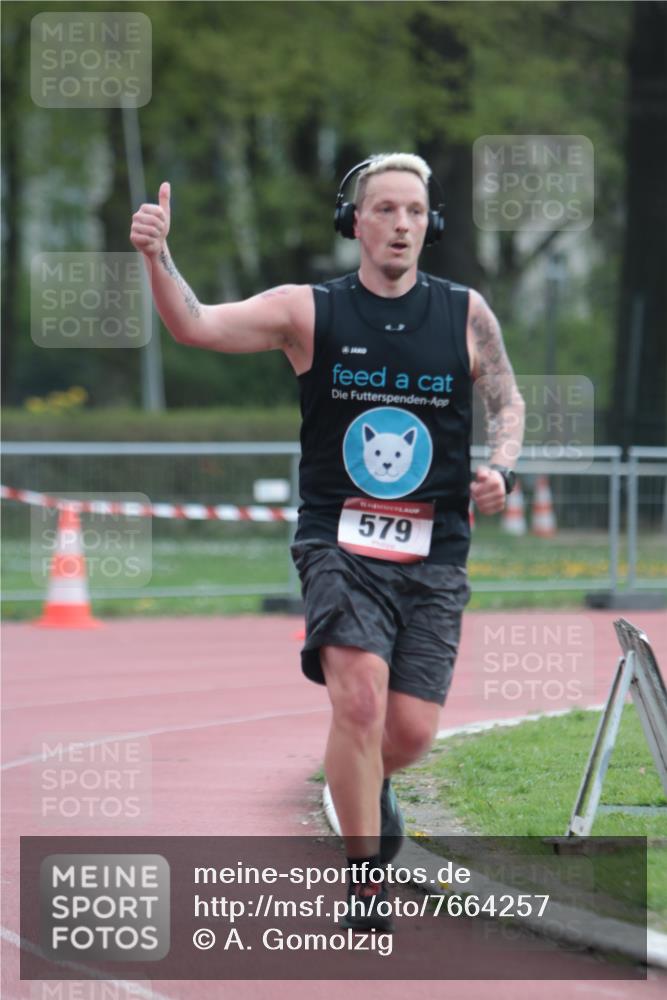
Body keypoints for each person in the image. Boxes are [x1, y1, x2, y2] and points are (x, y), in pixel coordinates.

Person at [130, 152, 525, 931]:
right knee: (358, 699)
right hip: (337, 543)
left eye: (414, 211)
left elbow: (508, 403)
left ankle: (365, 787)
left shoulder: (466, 313)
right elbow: (196, 324)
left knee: (406, 733)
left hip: (435, 549)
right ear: (354, 222)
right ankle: (365, 875)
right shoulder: (307, 311)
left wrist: (502, 469)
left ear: (431, 223)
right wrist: (156, 254)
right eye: (383, 209)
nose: (400, 225)